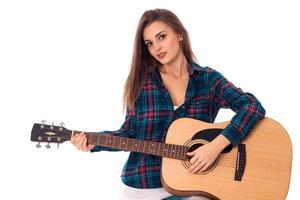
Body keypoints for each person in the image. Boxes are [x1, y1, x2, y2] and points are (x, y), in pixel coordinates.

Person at [70, 8, 266, 200]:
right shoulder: (141, 83)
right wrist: (94, 142)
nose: (156, 48)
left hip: (192, 184)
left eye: (161, 37)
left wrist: (215, 147)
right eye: (149, 43)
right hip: (143, 186)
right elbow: (129, 132)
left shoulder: (208, 80)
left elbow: (252, 107)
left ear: (179, 34)